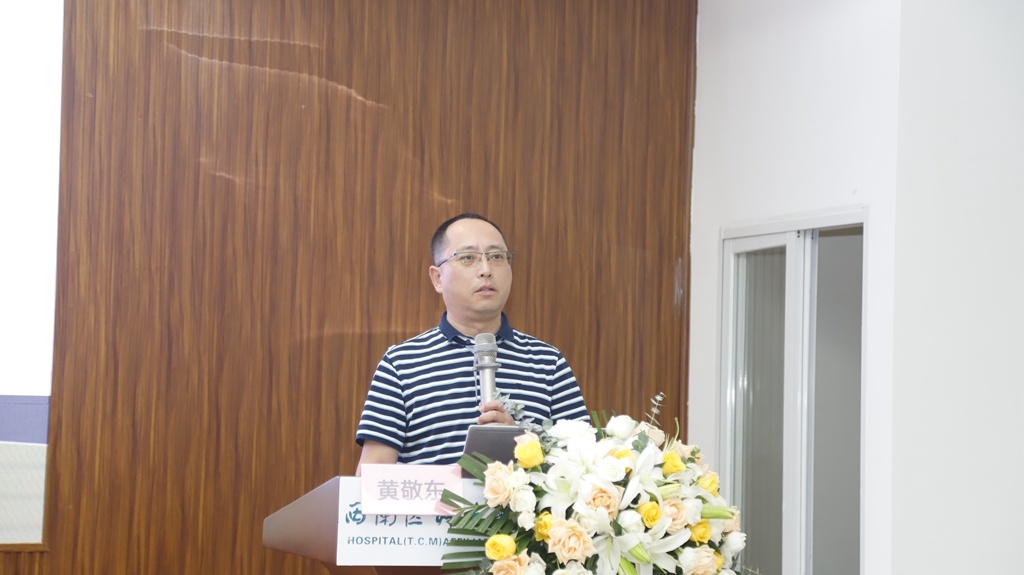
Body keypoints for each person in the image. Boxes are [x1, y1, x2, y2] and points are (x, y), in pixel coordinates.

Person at [355, 213, 588, 471]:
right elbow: (371, 477)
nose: (486, 269)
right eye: (468, 258)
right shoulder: (401, 363)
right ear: (438, 278)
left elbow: (584, 465)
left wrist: (525, 446)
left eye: (497, 256)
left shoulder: (548, 362)